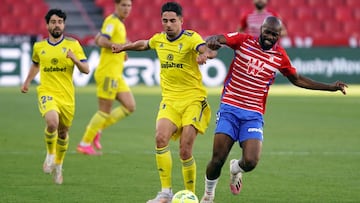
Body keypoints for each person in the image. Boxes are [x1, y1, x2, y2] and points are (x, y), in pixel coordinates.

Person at [200, 16, 347, 203]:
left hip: (253, 115)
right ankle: (208, 196)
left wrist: (330, 87)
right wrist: (213, 40)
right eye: (267, 32)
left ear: (278, 36)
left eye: (274, 34)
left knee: (251, 161)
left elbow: (298, 79)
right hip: (230, 107)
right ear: (261, 29)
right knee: (217, 158)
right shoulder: (243, 40)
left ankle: (236, 168)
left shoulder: (280, 56)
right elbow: (221, 38)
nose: (270, 36)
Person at [111, 2, 217, 203]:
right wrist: (124, 46)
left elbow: (206, 49)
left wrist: (205, 54)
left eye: (172, 21)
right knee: (160, 138)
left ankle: (190, 195)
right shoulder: (159, 39)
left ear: (181, 21)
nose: (168, 25)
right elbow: (144, 44)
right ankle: (166, 192)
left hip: (193, 100)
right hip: (170, 101)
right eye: (165, 21)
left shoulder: (190, 38)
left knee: (185, 149)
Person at [20, 8, 90, 184]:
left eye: (60, 22)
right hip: (47, 91)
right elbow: (36, 64)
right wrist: (27, 81)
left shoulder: (73, 45)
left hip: (67, 96)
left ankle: (58, 165)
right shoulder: (39, 47)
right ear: (47, 25)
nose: (57, 25)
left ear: (64, 24)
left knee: (63, 132)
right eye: (53, 22)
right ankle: (50, 154)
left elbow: (86, 69)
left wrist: (74, 59)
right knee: (52, 122)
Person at [77, 0, 135, 155]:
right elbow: (102, 41)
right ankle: (84, 143)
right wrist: (118, 46)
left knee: (129, 106)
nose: (126, 8)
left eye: (129, 5)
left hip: (117, 74)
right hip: (108, 73)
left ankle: (98, 128)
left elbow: (98, 37)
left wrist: (123, 49)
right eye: (123, 5)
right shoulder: (112, 21)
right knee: (104, 111)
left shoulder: (119, 24)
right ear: (116, 6)